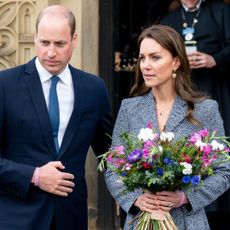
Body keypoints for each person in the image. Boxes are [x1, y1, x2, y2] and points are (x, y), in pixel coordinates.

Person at [104, 24, 230, 230]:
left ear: (176, 63)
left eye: (155, 57)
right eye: (142, 58)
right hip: (140, 222)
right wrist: (135, 198)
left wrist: (185, 197)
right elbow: (112, 168)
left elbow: (224, 171)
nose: (145, 65)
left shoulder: (205, 110)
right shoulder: (129, 108)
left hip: (189, 223)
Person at [0, 5, 113, 230]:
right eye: (44, 43)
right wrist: (35, 175)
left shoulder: (94, 88)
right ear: (35, 39)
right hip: (17, 217)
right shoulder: (4, 84)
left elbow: (110, 156)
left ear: (74, 39)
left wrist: (144, 190)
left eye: (60, 44)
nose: (51, 52)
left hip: (71, 217)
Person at [160, 0, 230, 137]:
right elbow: (160, 54)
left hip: (215, 84)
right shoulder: (168, 20)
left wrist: (215, 59)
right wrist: (177, 61)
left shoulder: (221, 11)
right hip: (181, 87)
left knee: (218, 133)